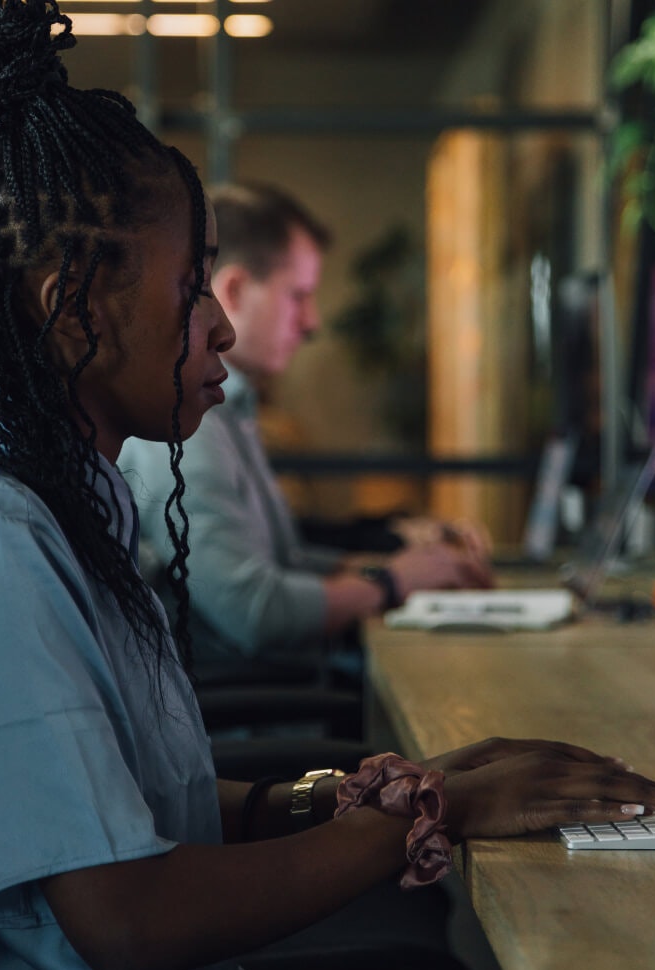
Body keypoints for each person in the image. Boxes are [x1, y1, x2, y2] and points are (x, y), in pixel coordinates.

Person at [0, 3, 655, 970]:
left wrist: (336, 792)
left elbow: (115, 800)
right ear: (74, 306)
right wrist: (434, 814)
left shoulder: (55, 503)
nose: (218, 328)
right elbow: (125, 923)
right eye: (189, 291)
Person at [118, 182, 493, 680]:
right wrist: (391, 582)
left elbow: (283, 560)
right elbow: (254, 612)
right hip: (253, 724)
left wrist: (395, 561)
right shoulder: (186, 427)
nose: (313, 322)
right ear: (232, 292)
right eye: (300, 296)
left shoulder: (233, 411)